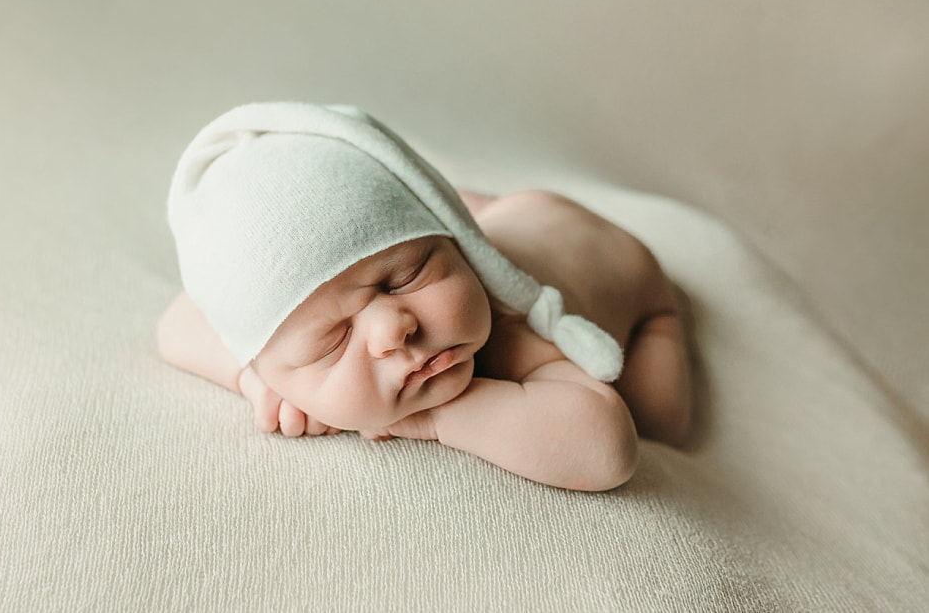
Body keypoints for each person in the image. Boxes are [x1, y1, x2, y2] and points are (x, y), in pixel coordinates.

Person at [157, 103, 693, 491]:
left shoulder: (510, 333)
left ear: (458, 248)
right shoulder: (270, 351)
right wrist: (255, 381)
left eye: (405, 277)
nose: (393, 330)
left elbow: (606, 451)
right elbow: (178, 322)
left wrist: (434, 420)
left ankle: (467, 220)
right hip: (517, 214)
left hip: (625, 267)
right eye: (332, 340)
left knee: (662, 420)